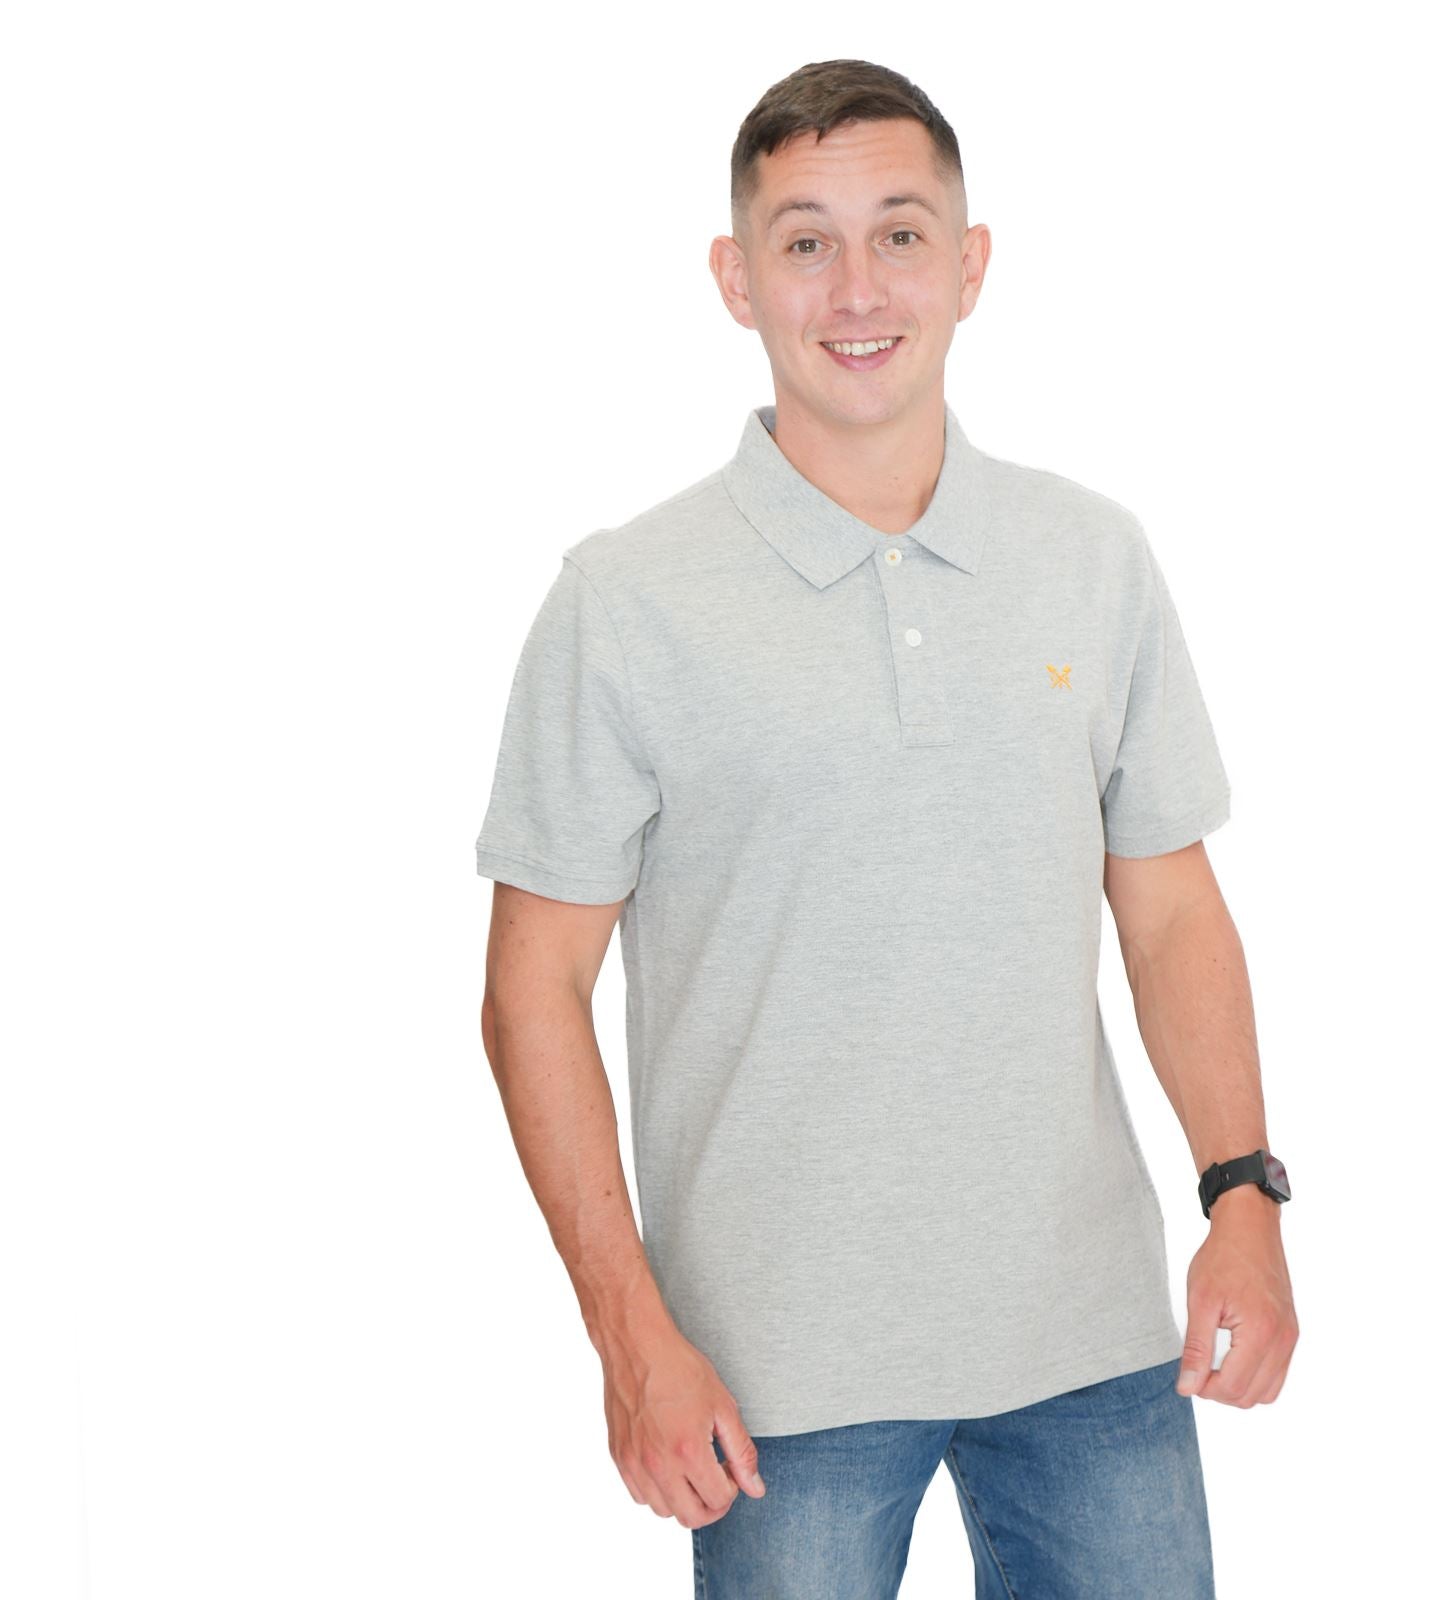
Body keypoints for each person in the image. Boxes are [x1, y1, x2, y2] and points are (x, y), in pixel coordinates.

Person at [475, 57, 1297, 1599]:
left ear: (970, 265)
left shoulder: (1090, 557)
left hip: (1090, 1341)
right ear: (737, 279)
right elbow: (533, 990)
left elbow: (1172, 907)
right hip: (771, 1375)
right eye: (805, 241)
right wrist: (630, 1336)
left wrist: (1242, 1193)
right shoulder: (626, 601)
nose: (857, 289)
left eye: (901, 235)